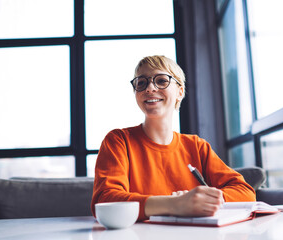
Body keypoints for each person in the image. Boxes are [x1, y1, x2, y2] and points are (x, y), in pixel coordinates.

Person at [91, 55, 256, 221]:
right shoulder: (118, 141)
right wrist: (175, 204)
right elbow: (105, 200)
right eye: (141, 83)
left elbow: (245, 192)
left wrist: (204, 201)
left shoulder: (197, 146)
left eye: (161, 81)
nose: (149, 88)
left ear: (180, 91)